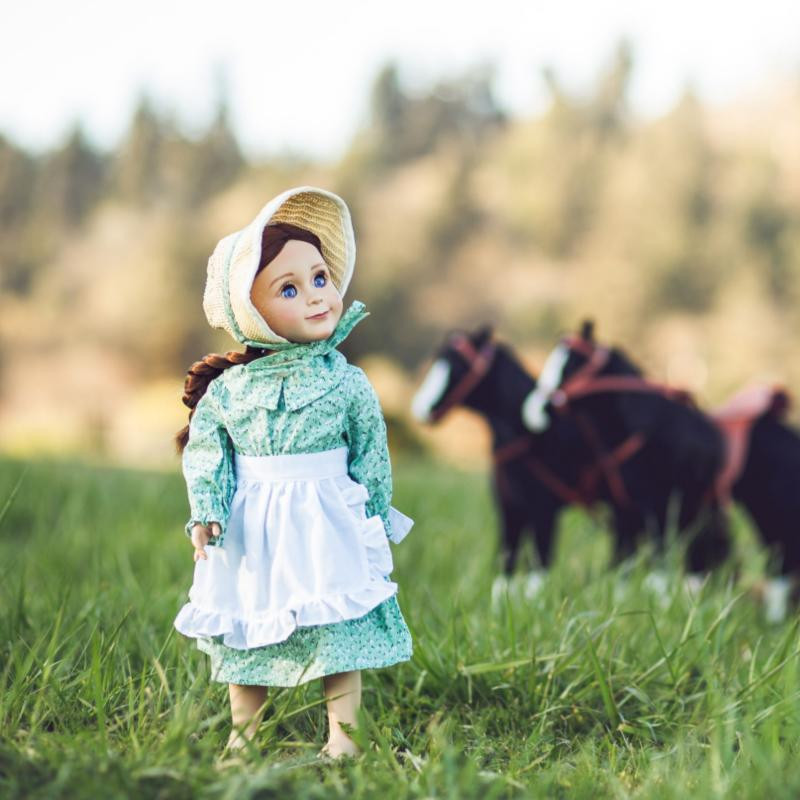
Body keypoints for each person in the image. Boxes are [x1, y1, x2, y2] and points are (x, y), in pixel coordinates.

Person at [173, 186, 413, 758]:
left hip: (328, 516)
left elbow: (370, 452)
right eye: (289, 288)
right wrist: (205, 511)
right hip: (253, 521)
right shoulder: (229, 393)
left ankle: (343, 737)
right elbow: (206, 452)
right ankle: (244, 735)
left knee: (340, 624)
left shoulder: (347, 380)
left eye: (319, 278)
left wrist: (376, 512)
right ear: (252, 313)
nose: (315, 297)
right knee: (248, 619)